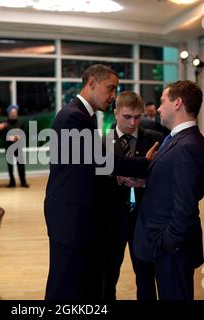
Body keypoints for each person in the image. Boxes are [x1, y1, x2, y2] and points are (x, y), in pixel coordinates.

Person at [44, 64, 153, 300]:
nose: (113, 96)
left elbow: (87, 165)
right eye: (110, 89)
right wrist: (142, 163)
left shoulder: (84, 115)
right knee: (63, 285)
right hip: (69, 215)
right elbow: (99, 159)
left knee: (78, 283)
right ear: (92, 82)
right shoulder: (74, 116)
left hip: (77, 214)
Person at [133, 80, 204, 300]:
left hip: (173, 251)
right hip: (166, 246)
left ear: (177, 103)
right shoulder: (176, 138)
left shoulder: (187, 145)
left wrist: (167, 243)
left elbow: (187, 203)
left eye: (162, 101)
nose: (158, 108)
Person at [102, 91, 162, 300]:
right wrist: (117, 179)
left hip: (144, 221)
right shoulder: (101, 143)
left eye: (138, 117)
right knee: (107, 279)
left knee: (146, 277)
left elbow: (165, 179)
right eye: (127, 117)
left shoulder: (155, 139)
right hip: (111, 223)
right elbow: (94, 184)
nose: (133, 123)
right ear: (116, 112)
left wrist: (146, 181)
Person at [3, 104, 29, 188]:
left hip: (18, 146)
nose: (14, 114)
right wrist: (12, 137)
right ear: (9, 114)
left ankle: (23, 182)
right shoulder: (5, 124)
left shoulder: (20, 122)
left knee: (21, 165)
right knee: (10, 166)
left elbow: (25, 133)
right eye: (12, 113)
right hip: (9, 146)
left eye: (15, 113)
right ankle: (12, 182)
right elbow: (4, 136)